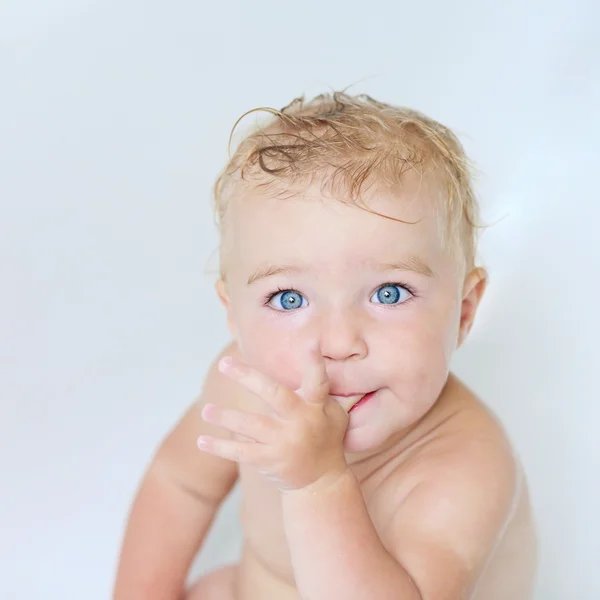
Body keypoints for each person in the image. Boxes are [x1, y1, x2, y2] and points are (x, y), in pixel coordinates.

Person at [112, 91, 538, 600]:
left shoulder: (465, 464)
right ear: (234, 314)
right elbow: (180, 483)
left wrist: (318, 486)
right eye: (288, 298)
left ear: (463, 311)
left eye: (389, 293)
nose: (338, 344)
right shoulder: (244, 387)